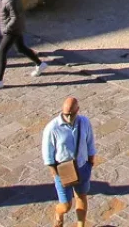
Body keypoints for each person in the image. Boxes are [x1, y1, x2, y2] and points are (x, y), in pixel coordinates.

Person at [42, 96, 97, 227]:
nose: (69, 117)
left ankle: (81, 225)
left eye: (72, 114)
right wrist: (56, 175)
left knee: (81, 196)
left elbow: (90, 143)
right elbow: (48, 156)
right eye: (66, 114)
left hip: (82, 167)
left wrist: (90, 163)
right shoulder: (52, 128)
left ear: (78, 110)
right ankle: (58, 212)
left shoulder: (84, 122)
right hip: (63, 171)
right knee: (66, 205)